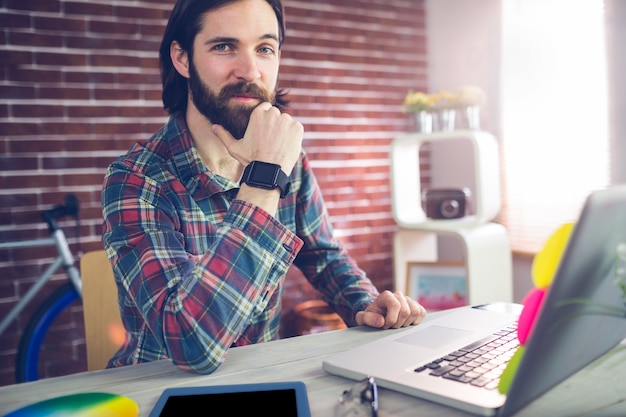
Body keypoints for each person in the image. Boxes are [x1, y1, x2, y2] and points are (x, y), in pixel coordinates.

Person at [101, 0, 426, 375]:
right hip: (161, 390)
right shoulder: (136, 180)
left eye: (265, 49)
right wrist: (264, 180)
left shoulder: (289, 159)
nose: (250, 70)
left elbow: (323, 255)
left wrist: (365, 304)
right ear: (182, 58)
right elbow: (191, 345)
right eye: (224, 46)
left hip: (263, 379)